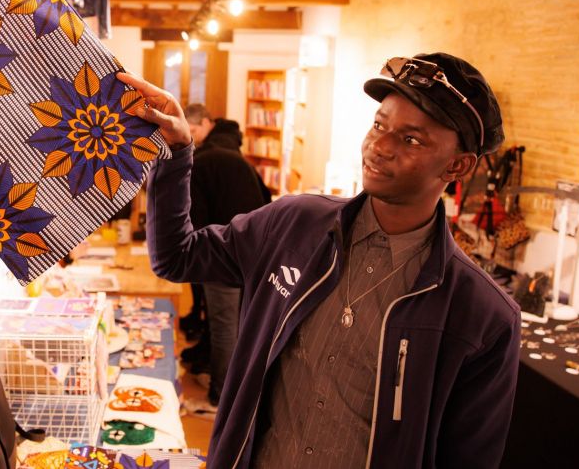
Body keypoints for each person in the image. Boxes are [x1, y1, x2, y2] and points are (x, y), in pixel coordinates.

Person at [117, 52, 520, 469]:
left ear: (458, 165)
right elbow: (177, 257)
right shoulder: (294, 225)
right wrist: (177, 150)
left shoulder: (482, 316)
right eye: (379, 125)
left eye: (411, 139)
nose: (380, 146)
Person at [181, 103, 271, 419]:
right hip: (253, 251)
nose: (190, 138)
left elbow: (196, 222)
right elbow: (266, 198)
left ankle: (220, 400)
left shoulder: (203, 161)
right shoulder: (232, 153)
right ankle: (228, 392)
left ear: (206, 124)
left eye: (193, 131)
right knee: (234, 324)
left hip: (225, 255)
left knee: (224, 327)